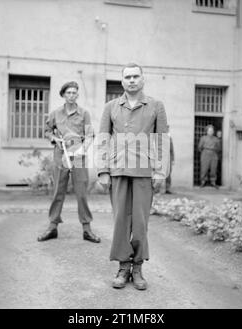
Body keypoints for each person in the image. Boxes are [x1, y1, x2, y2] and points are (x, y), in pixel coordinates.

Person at [97, 63, 169, 290]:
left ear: (143, 79)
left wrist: (160, 170)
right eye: (127, 77)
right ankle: (123, 267)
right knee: (120, 222)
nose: (132, 80)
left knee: (140, 223)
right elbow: (103, 138)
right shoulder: (110, 107)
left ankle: (137, 268)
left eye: (136, 76)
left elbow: (162, 140)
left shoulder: (156, 106)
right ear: (122, 81)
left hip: (144, 171)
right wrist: (103, 170)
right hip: (117, 170)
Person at [37, 81, 101, 243]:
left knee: (81, 193)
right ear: (63, 95)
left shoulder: (84, 113)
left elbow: (89, 135)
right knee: (58, 191)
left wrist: (83, 149)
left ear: (77, 95)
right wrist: (54, 138)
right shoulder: (55, 114)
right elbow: (46, 131)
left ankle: (87, 229)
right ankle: (52, 227)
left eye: (74, 92)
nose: (71, 95)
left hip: (78, 155)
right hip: (61, 155)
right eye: (69, 92)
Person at [198, 125, 220, 189]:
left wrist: (214, 151)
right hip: (205, 153)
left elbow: (218, 148)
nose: (211, 132)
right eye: (209, 130)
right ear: (207, 131)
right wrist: (205, 151)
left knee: (214, 168)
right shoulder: (203, 138)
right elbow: (199, 147)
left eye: (212, 130)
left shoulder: (216, 139)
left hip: (214, 153)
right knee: (204, 168)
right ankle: (203, 181)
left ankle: (213, 182)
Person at [165, 128, 174, 194]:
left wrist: (173, 159)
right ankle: (156, 189)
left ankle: (168, 189)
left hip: (168, 158)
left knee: (168, 174)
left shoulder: (169, 138)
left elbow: (172, 149)